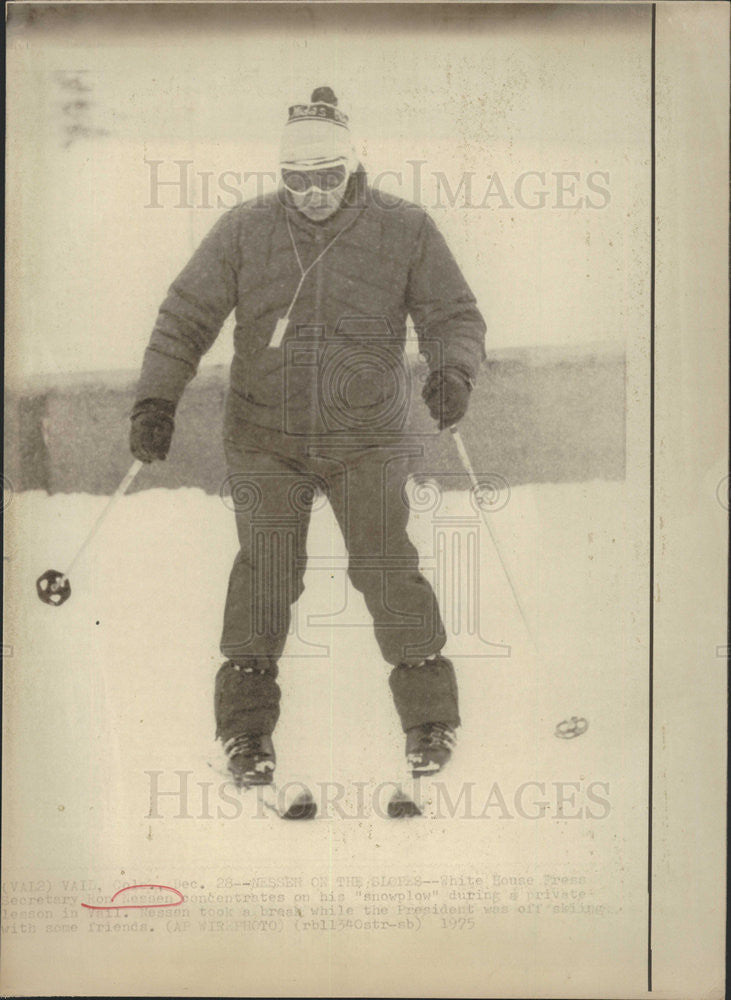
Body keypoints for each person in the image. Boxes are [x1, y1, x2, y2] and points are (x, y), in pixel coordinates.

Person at [130, 87, 486, 788]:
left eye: (327, 177)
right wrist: (154, 402)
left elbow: (453, 314)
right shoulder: (245, 230)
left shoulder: (403, 228)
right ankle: (245, 731)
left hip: (366, 438)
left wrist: (452, 372)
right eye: (298, 180)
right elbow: (184, 317)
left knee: (385, 566)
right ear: (280, 176)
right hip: (266, 434)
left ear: (351, 167)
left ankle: (428, 717)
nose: (313, 194)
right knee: (265, 575)